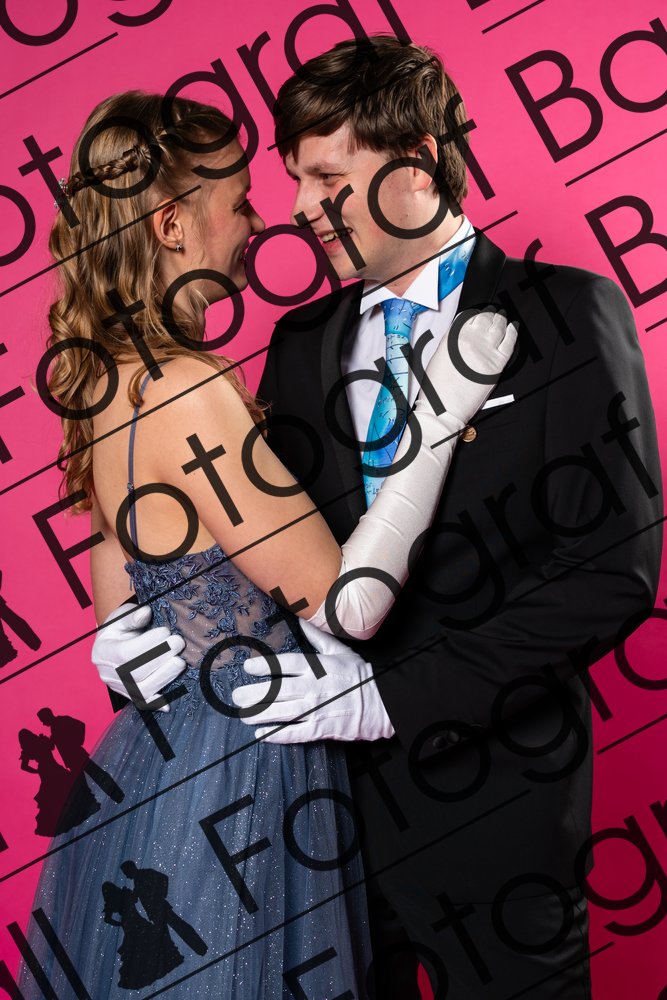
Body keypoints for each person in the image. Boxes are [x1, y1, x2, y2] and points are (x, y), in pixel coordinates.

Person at [96, 37, 662, 999]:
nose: (299, 208)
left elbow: (611, 575)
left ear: (420, 163)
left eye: (328, 178)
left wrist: (387, 696)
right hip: (317, 828)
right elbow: (272, 559)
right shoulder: (298, 342)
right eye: (294, 180)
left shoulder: (565, 312)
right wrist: (151, 632)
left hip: (500, 817)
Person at [18, 88, 514, 999]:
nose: (260, 223)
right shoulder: (186, 386)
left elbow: (119, 590)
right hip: (243, 770)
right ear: (171, 224)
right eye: (239, 202)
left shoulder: (105, 384)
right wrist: (440, 418)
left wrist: (133, 632)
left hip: (157, 764)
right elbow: (346, 604)